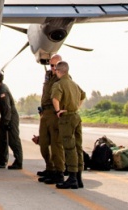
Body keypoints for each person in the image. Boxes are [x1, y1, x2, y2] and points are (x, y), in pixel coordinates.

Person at [51, 60, 86, 189]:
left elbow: (55, 98)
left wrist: (58, 111)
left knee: (69, 148)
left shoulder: (59, 84)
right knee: (78, 147)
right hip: (76, 116)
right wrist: (76, 107)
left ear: (59, 71)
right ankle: (79, 178)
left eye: (56, 70)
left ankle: (72, 178)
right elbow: (83, 95)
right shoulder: (74, 84)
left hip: (67, 118)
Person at [36, 55, 64, 184]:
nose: (53, 68)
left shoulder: (62, 78)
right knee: (43, 143)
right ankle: (49, 167)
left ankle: (58, 172)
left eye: (55, 65)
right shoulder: (48, 76)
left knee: (55, 145)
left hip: (54, 113)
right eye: (51, 65)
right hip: (45, 113)